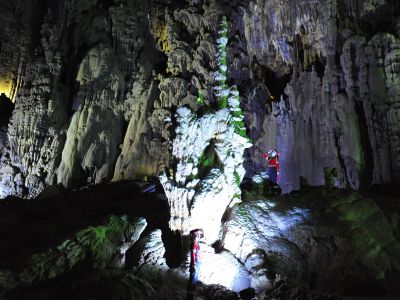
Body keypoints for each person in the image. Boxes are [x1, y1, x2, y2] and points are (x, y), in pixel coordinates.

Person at [187, 229, 204, 299]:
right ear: (194, 236)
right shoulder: (194, 244)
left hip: (197, 263)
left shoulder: (196, 243)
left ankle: (190, 295)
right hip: (195, 263)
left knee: (194, 279)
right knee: (193, 280)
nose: (199, 236)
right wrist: (194, 265)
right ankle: (190, 297)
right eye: (197, 235)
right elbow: (193, 255)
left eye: (199, 235)